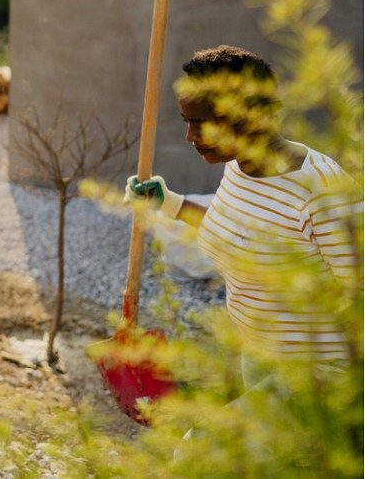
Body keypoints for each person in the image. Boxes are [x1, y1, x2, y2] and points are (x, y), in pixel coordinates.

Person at [125, 45, 359, 380]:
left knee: (200, 435)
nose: (189, 136)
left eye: (199, 123)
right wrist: (169, 202)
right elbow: (237, 233)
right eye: (186, 122)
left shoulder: (321, 190)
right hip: (257, 354)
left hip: (315, 379)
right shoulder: (239, 168)